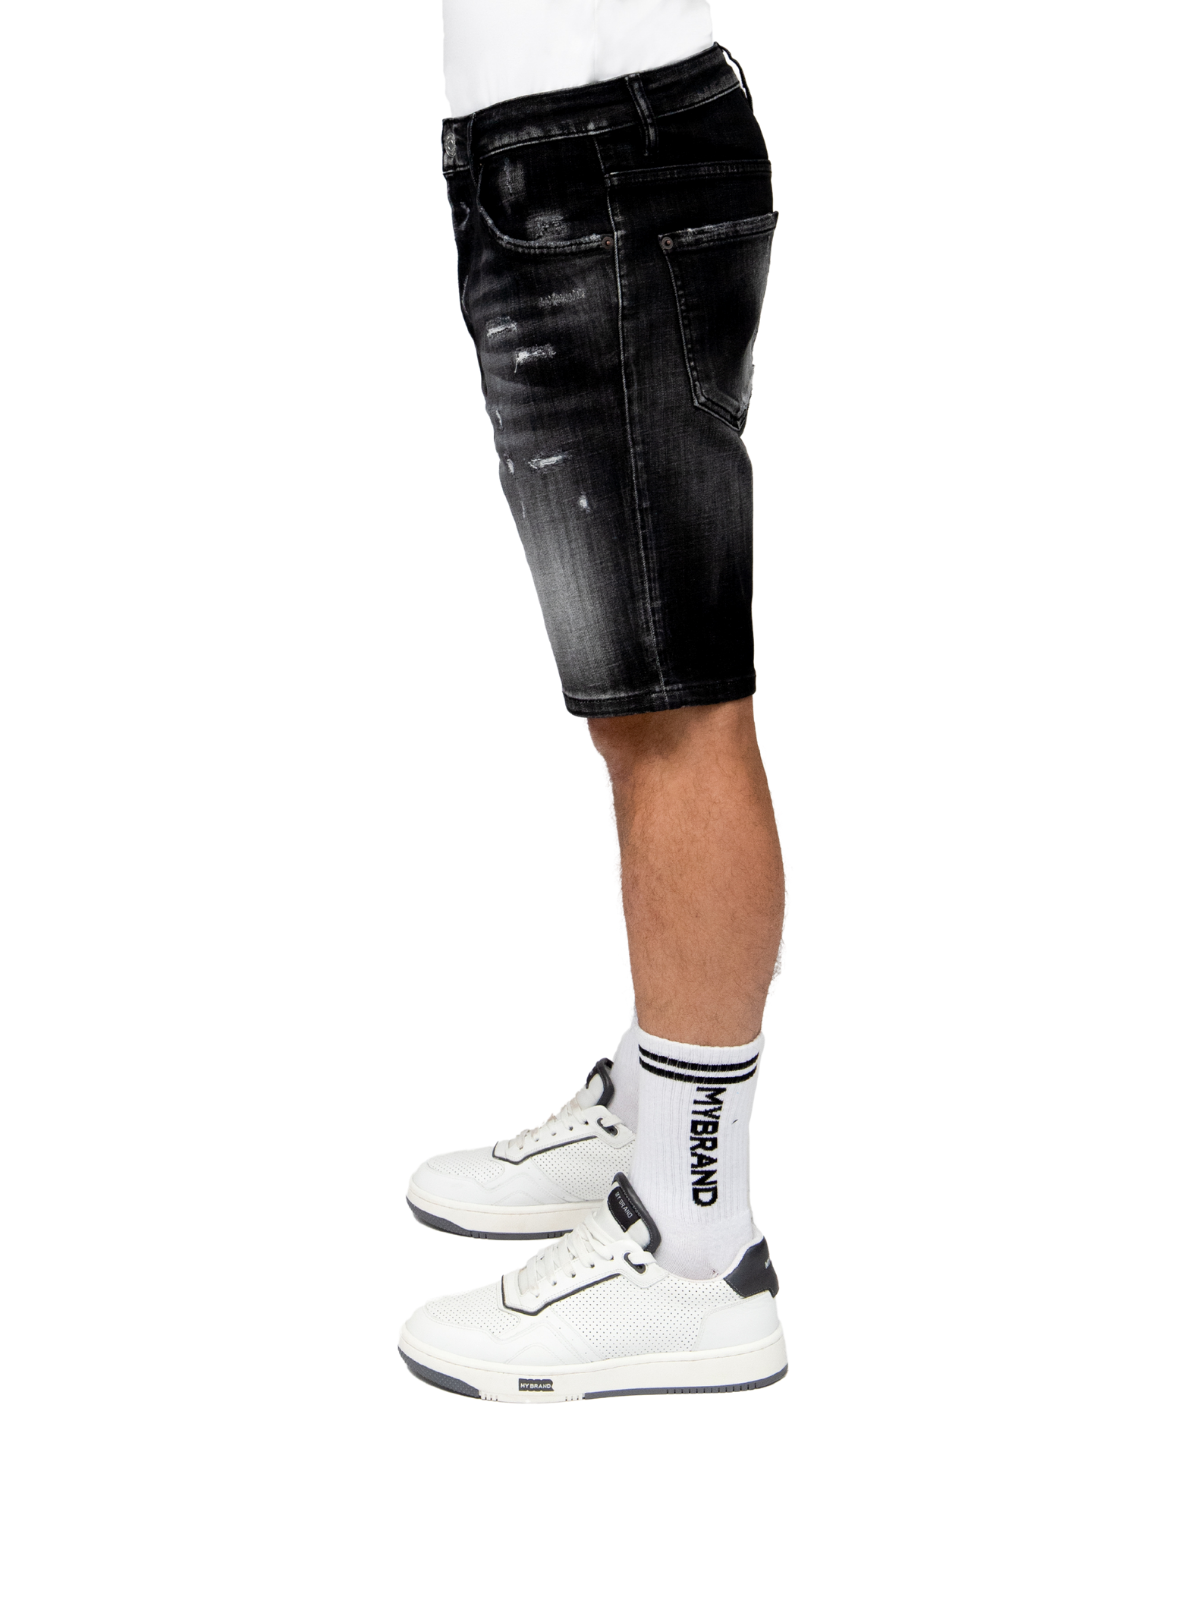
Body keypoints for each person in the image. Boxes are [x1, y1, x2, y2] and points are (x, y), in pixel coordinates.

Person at [399, 0, 787, 1402]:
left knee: (674, 706)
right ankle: (656, 1111)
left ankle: (694, 1246)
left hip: (601, 164)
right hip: (561, 161)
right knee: (637, 706)